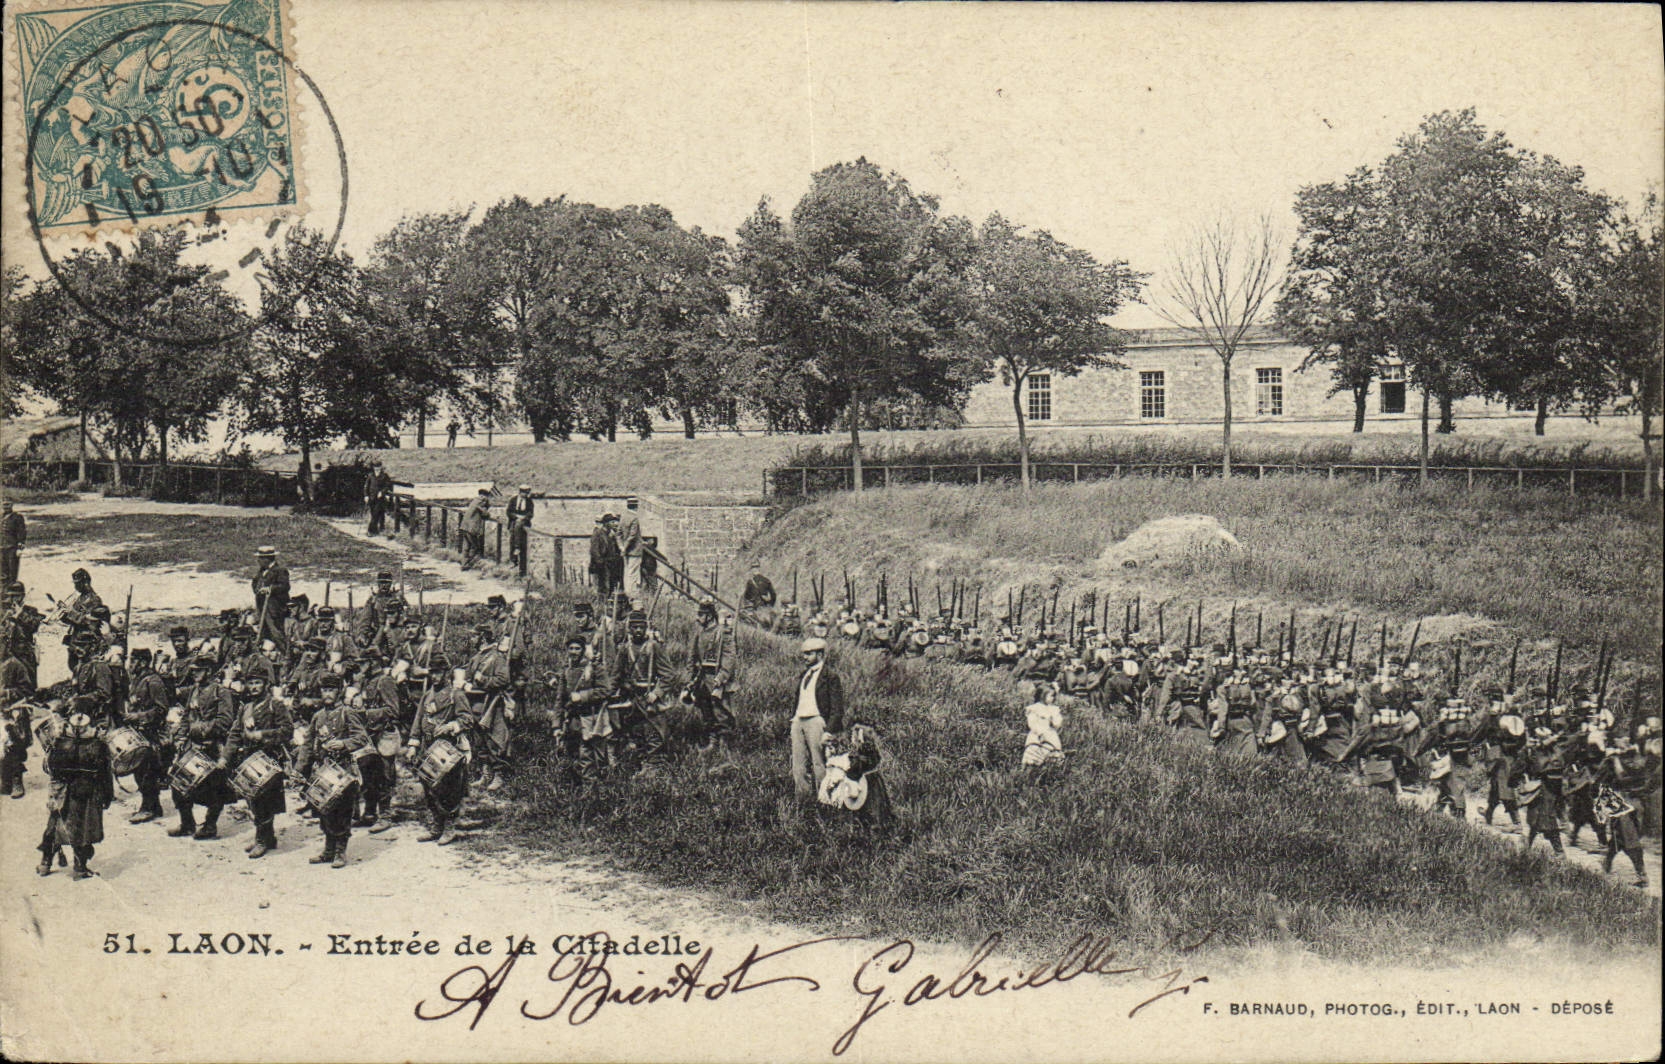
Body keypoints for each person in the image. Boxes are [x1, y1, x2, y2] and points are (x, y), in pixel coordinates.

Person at [297, 673, 369, 868]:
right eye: (324, 690)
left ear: (339, 692)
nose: (327, 694)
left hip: (344, 769)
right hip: (323, 769)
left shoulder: (347, 713)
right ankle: (328, 849)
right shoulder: (317, 716)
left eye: (331, 690)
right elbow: (307, 744)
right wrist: (299, 768)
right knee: (324, 811)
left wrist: (343, 744)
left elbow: (362, 738)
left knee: (342, 811)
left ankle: (340, 851)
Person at [221, 671, 292, 859]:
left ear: (266, 685)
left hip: (270, 758)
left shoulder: (275, 705)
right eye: (250, 683)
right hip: (250, 759)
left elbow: (287, 731)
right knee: (253, 800)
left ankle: (262, 839)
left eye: (257, 683)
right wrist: (225, 757)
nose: (253, 687)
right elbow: (235, 734)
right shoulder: (246, 707)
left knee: (265, 801)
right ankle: (267, 837)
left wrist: (262, 735)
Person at [38, 711, 113, 880]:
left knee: (55, 825)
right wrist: (108, 795)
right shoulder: (98, 744)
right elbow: (105, 773)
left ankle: (45, 863)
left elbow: (49, 767)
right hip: (86, 792)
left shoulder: (59, 741)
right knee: (82, 829)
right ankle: (79, 867)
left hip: (62, 791)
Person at [169, 654, 236, 841]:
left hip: (213, 746)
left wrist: (199, 729)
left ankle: (210, 825)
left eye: (198, 671)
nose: (195, 674)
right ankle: (187, 823)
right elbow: (186, 717)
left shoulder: (221, 692)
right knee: (178, 782)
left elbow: (225, 721)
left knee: (215, 789)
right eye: (193, 671)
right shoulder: (194, 691)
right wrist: (181, 736)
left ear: (208, 672)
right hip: (193, 746)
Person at [407, 660, 473, 844]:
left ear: (446, 673)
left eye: (438, 673)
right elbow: (418, 719)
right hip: (428, 748)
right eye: (432, 673)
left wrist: (450, 726)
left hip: (448, 748)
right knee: (429, 787)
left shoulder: (456, 694)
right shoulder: (428, 695)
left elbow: (467, 718)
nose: (435, 677)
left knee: (449, 789)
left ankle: (450, 827)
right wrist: (413, 744)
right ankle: (437, 825)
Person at [789, 637, 844, 798]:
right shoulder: (804, 675)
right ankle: (803, 799)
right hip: (799, 721)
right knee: (798, 764)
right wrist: (793, 719)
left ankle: (825, 798)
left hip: (816, 721)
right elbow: (798, 699)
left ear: (820, 655)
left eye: (809, 654)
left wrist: (829, 730)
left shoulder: (830, 676)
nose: (805, 657)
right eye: (804, 654)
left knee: (819, 763)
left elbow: (837, 708)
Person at [121, 648, 170, 824]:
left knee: (147, 770)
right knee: (140, 771)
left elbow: (162, 709)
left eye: (133, 661)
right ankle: (154, 806)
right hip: (139, 731)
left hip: (152, 732)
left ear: (142, 662)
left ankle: (148, 807)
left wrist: (139, 716)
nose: (130, 665)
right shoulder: (137, 680)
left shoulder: (153, 681)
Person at [684, 602, 737, 747]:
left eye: (701, 614)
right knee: (706, 710)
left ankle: (725, 745)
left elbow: (729, 658)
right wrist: (689, 679)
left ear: (709, 616)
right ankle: (712, 741)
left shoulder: (723, 633)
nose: (697, 618)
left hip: (717, 679)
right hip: (702, 679)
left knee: (721, 712)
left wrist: (721, 677)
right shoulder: (699, 633)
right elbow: (692, 656)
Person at [61, 568, 105, 672]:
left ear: (86, 582)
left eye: (78, 583)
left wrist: (70, 613)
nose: (75, 586)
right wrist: (63, 615)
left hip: (86, 642)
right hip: (76, 641)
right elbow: (73, 619)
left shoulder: (94, 599)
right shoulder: (80, 598)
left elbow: (90, 621)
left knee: (84, 670)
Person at [252, 546, 291, 656]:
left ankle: (285, 654)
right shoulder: (261, 572)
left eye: (260, 558)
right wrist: (258, 589)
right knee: (264, 632)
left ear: (268, 559)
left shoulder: (280, 570)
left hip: (275, 609)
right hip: (262, 608)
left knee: (276, 633)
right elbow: (255, 584)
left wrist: (270, 589)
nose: (258, 561)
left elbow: (285, 586)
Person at [1022, 682, 1065, 769]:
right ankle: (1031, 768)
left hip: (1049, 734)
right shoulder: (1035, 708)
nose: (1052, 698)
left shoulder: (1053, 709)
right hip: (1037, 733)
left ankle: (1049, 768)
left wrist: (1055, 717)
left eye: (1053, 696)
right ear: (1042, 696)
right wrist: (1039, 731)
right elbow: (1031, 722)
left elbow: (1057, 724)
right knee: (1033, 749)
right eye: (1051, 696)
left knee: (1050, 749)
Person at [618, 497, 644, 597]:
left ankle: (628, 591)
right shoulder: (634, 518)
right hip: (635, 551)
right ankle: (632, 594)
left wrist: (621, 546)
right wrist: (625, 547)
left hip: (626, 552)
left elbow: (618, 534)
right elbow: (632, 535)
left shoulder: (623, 517)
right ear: (636, 506)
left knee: (627, 572)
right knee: (633, 573)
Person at [589, 514, 621, 596]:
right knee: (600, 589)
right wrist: (600, 563)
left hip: (608, 565)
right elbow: (594, 550)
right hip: (599, 566)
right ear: (606, 523)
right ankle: (599, 605)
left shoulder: (610, 535)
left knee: (608, 588)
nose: (614, 524)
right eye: (612, 522)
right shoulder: (598, 533)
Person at [461, 488, 491, 570]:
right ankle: (470, 564)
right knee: (475, 547)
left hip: (464, 526)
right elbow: (486, 514)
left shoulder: (475, 501)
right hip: (471, 528)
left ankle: (464, 564)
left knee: (466, 546)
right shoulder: (482, 501)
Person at [507, 485, 535, 573]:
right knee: (512, 541)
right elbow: (508, 512)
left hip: (524, 524)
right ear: (520, 492)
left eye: (527, 493)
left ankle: (522, 569)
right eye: (524, 493)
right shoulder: (513, 500)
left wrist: (523, 518)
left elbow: (531, 514)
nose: (526, 495)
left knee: (523, 547)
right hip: (513, 522)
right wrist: (516, 517)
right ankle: (514, 559)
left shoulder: (529, 501)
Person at [1, 501, 25, 586]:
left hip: (12, 547)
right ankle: (4, 590)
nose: (6, 507)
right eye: (4, 504)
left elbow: (21, 533)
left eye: (8, 504)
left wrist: (20, 548)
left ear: (12, 505)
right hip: (1, 547)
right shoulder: (1, 517)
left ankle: (13, 589)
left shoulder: (17, 517)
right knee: (3, 570)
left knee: (13, 569)